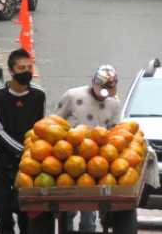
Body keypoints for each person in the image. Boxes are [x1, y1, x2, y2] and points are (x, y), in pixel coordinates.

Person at [0, 49, 46, 234]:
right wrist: (23, 150)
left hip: (28, 163)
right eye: (21, 68)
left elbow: (41, 127)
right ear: (11, 71)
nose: (27, 71)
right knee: (3, 211)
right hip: (0, 161)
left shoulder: (39, 95)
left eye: (29, 67)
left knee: (25, 211)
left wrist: (33, 154)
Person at [56, 65, 120, 232]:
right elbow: (55, 122)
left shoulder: (113, 103)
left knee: (88, 215)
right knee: (67, 210)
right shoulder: (73, 95)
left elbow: (115, 131)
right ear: (94, 83)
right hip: (68, 160)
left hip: (95, 164)